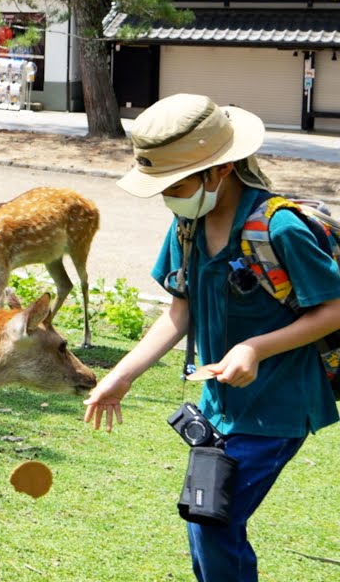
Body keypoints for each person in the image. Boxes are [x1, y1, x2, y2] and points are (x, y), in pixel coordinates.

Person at [83, 93, 340, 582]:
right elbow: (179, 313)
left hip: (279, 407)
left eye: (176, 182)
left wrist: (254, 348)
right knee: (203, 516)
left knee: (213, 521)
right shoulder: (187, 225)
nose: (170, 195)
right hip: (219, 406)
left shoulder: (279, 227)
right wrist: (122, 376)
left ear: (219, 170)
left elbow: (333, 309)